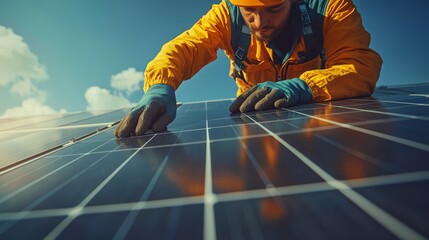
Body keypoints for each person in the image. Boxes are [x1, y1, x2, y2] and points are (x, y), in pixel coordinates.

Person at [114, 0, 382, 138]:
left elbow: (359, 66)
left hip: (320, 125)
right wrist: (160, 86)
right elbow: (185, 47)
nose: (260, 21)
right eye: (248, 10)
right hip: (253, 124)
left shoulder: (331, 10)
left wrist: (305, 86)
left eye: (273, 9)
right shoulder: (225, 16)